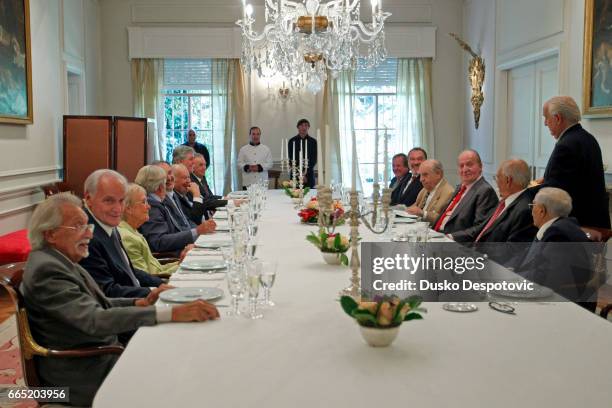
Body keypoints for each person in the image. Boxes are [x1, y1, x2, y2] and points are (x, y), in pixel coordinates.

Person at [21, 193, 219, 406]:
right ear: (50, 234)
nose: (89, 234)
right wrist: (169, 313)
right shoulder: (48, 270)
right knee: (182, 369)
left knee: (181, 351)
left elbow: (99, 304)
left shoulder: (59, 259)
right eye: (79, 226)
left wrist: (139, 303)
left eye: (88, 226)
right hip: (81, 374)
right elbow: (94, 319)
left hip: (98, 354)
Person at [79, 170, 165, 298]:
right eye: (109, 201)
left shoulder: (107, 225)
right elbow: (106, 291)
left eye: (121, 201)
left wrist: (163, 284)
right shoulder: (88, 237)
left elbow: (128, 272)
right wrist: (153, 292)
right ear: (88, 198)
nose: (118, 209)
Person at [517, 187, 595, 307]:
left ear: (542, 210)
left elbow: (544, 279)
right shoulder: (561, 226)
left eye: (533, 205)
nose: (531, 210)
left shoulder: (558, 234)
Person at [541, 96, 610, 229]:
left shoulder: (566, 145)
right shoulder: (587, 138)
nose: (545, 123)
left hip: (576, 228)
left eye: (546, 118)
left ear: (558, 118)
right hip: (593, 223)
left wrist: (525, 192)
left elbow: (556, 192)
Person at [136, 165, 215, 256]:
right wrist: (197, 231)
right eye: (165, 180)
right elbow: (159, 242)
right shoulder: (152, 206)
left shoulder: (162, 200)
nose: (169, 179)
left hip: (186, 247)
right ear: (160, 186)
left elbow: (186, 221)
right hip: (177, 254)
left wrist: (200, 230)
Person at [119, 183, 190, 276]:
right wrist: (184, 264)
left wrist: (182, 262)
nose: (149, 207)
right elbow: (146, 278)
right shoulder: (128, 238)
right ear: (128, 209)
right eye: (144, 202)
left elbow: (157, 268)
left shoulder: (133, 231)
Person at [433, 149, 498, 242]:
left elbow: (479, 228)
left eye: (469, 164)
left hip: (456, 243)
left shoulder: (485, 190)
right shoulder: (460, 187)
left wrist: (450, 237)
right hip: (437, 237)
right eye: (461, 166)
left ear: (480, 166)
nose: (465, 169)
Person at [474, 159, 539, 243]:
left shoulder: (524, 211)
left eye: (497, 177)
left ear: (508, 180)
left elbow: (510, 251)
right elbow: (483, 229)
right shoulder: (504, 201)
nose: (496, 182)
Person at [405, 159, 454, 226]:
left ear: (438, 174)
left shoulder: (449, 192)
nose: (421, 179)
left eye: (425, 175)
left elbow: (443, 220)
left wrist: (423, 213)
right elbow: (414, 207)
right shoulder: (424, 190)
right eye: (421, 175)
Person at [287, 118, 317, 188]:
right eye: (301, 125)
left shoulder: (313, 142)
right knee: (294, 196)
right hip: (295, 175)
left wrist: (305, 175)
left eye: (306, 125)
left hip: (309, 175)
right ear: (298, 127)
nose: (304, 127)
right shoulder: (292, 141)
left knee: (310, 196)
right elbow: (291, 159)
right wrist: (300, 175)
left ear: (308, 127)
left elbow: (313, 160)